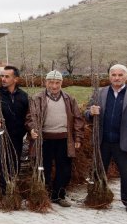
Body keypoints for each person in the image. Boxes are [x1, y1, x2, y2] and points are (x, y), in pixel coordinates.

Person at [86, 64, 127, 214]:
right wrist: (90, 112)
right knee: (98, 170)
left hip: (124, 141)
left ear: (126, 77)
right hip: (102, 140)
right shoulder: (100, 93)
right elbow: (86, 112)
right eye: (114, 75)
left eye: (120, 75)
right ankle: (97, 196)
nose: (117, 78)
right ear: (109, 76)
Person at [27, 70, 84, 207]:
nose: (54, 86)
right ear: (46, 82)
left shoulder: (69, 99)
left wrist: (78, 138)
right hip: (44, 139)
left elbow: (78, 119)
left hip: (64, 139)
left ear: (61, 83)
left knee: (64, 169)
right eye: (51, 82)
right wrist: (33, 129)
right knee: (43, 168)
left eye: (57, 83)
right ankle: (44, 194)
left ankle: (58, 196)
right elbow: (31, 117)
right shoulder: (37, 98)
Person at [0, 65, 30, 189]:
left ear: (16, 79)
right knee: (0, 162)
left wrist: (25, 131)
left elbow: (28, 116)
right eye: (2, 76)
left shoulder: (23, 96)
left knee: (14, 162)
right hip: (0, 136)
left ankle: (11, 186)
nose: (3, 79)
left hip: (17, 136)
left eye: (7, 76)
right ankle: (2, 189)